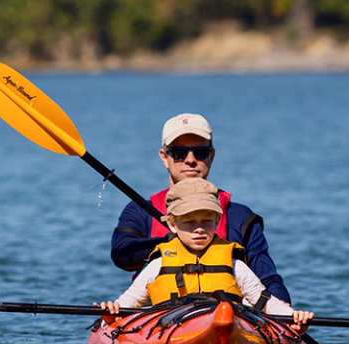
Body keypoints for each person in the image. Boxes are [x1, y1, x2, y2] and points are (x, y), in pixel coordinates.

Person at [111, 113, 292, 303]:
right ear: (164, 157)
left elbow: (268, 277)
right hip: (158, 313)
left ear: (211, 155)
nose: (190, 160)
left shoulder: (240, 216)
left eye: (200, 152)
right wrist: (170, 242)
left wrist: (285, 316)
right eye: (179, 153)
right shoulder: (140, 211)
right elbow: (122, 255)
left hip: (228, 314)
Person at [102, 178, 312, 332]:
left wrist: (292, 316)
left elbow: (265, 301)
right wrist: (111, 312)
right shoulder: (159, 264)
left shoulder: (233, 262)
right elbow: (128, 302)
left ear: (216, 221)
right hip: (171, 330)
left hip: (227, 328)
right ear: (173, 225)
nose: (199, 229)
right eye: (190, 222)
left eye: (207, 221)